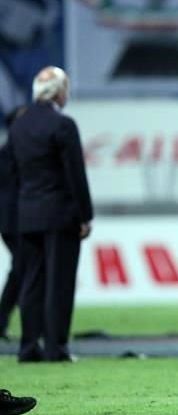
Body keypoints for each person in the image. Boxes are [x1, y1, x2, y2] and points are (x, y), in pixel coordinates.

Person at [9, 66, 93, 363]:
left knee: (31, 282)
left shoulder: (18, 126)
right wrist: (86, 215)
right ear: (58, 91)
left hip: (27, 213)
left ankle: (29, 346)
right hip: (60, 213)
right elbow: (75, 174)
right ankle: (57, 347)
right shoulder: (63, 125)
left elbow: (15, 174)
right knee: (59, 283)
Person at [0, 107, 25, 340]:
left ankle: (2, 319)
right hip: (13, 221)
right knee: (23, 267)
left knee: (21, 269)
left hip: (13, 221)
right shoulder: (12, 154)